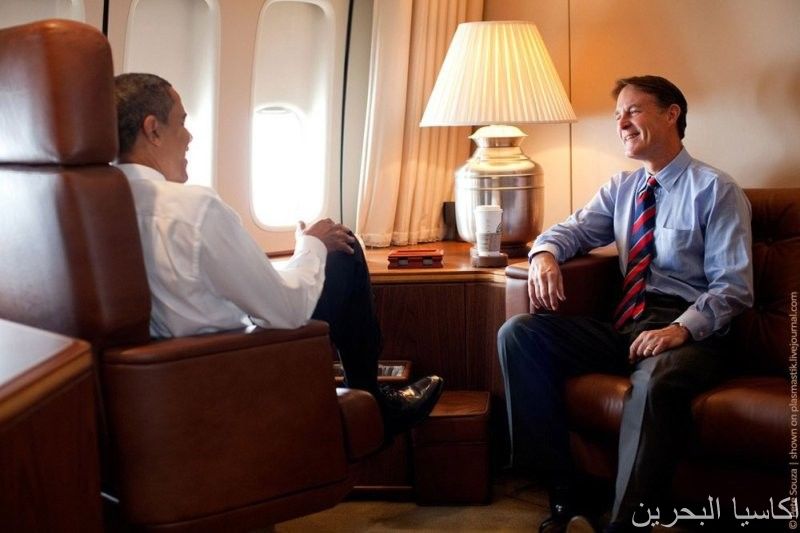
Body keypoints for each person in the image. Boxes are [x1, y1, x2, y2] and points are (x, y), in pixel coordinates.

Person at [113, 72, 443, 437]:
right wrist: (310, 245)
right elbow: (287, 311)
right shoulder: (191, 209)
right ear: (153, 130)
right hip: (234, 363)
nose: (189, 136)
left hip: (161, 376)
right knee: (342, 250)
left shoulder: (93, 210)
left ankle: (374, 402)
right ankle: (375, 407)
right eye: (182, 122)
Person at [498, 76, 753, 533]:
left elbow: (733, 285)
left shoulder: (715, 190)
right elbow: (568, 230)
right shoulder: (622, 188)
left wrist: (680, 328)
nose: (621, 122)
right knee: (520, 334)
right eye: (618, 115)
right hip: (625, 324)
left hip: (691, 331)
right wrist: (543, 255)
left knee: (656, 384)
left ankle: (623, 523)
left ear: (672, 113)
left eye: (632, 110)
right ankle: (564, 498)